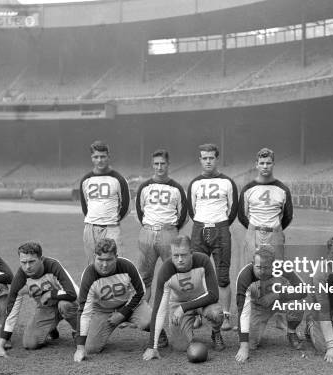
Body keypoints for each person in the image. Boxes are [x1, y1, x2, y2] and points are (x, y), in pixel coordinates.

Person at [0, 242, 78, 358]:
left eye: (31, 262)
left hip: (71, 303)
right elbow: (11, 311)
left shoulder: (53, 266)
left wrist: (50, 294)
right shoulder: (20, 278)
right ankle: (51, 327)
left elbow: (72, 293)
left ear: (41, 259)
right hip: (47, 307)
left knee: (65, 305)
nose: (27, 267)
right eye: (23, 262)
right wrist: (0, 346)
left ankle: (77, 330)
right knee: (29, 343)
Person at [73, 238, 156, 362]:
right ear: (95, 256)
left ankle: (159, 336)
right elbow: (84, 312)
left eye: (109, 260)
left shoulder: (127, 266)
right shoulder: (89, 276)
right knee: (90, 348)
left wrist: (123, 313)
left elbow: (140, 293)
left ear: (116, 257)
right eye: (100, 259)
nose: (104, 265)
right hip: (103, 310)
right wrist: (80, 348)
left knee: (148, 321)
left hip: (130, 304)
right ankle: (85, 336)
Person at [143, 236, 224, 360]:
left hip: (203, 302)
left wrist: (184, 307)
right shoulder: (166, 270)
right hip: (178, 304)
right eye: (176, 256)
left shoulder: (203, 261)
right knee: (180, 346)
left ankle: (216, 333)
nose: (180, 260)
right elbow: (159, 309)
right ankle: (189, 328)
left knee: (216, 313)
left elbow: (213, 295)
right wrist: (152, 347)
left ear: (191, 253)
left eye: (183, 255)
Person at [187, 143, 238, 331]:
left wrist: (220, 224)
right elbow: (191, 210)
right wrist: (204, 222)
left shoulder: (227, 182)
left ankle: (225, 316)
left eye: (211, 158)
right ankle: (197, 314)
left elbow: (233, 210)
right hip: (200, 229)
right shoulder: (194, 183)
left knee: (222, 275)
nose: (208, 161)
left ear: (216, 159)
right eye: (204, 158)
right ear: (200, 160)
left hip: (221, 229)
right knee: (196, 274)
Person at [234, 246, 308, 363]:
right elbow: (243, 311)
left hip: (280, 301)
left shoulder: (283, 268)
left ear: (274, 264)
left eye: (266, 267)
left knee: (297, 303)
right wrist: (243, 347)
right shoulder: (244, 276)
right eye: (258, 267)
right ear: (253, 263)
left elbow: (303, 290)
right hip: (258, 306)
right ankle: (254, 328)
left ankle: (291, 332)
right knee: (251, 344)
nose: (262, 271)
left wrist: (276, 295)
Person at [135, 149, 187, 302]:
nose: (159, 167)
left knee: (176, 274)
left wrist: (172, 229)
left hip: (168, 233)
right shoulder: (144, 187)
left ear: (168, 164)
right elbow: (140, 211)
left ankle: (182, 312)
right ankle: (142, 315)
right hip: (147, 233)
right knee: (144, 277)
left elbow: (183, 214)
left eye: (162, 164)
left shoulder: (176, 188)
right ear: (152, 165)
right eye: (156, 164)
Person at [79, 140, 130, 264]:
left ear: (108, 157)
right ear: (91, 158)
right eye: (96, 157)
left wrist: (113, 220)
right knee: (92, 265)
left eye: (103, 156)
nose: (99, 160)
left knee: (115, 264)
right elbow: (85, 205)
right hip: (90, 228)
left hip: (111, 228)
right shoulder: (86, 180)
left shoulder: (118, 179)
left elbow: (126, 206)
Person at [238, 147, 293, 261]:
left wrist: (276, 229)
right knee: (252, 268)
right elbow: (241, 215)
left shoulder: (282, 189)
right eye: (262, 163)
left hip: (275, 234)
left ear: (273, 164)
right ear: (256, 164)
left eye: (268, 163)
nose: (265, 166)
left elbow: (288, 216)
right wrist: (253, 229)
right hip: (254, 234)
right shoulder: (248, 189)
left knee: (276, 270)